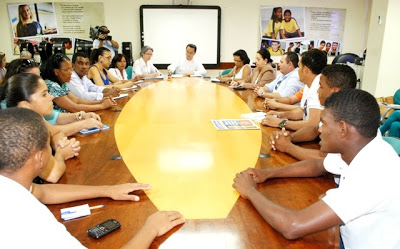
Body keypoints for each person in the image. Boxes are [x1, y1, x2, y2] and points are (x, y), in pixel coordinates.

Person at [233, 89, 400, 249]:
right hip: (348, 236)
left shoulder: (374, 174)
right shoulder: (361, 146)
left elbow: (293, 226)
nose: (319, 129)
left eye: (324, 123)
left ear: (342, 128)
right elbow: (318, 165)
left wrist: (250, 191)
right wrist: (267, 174)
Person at [0, 107, 185, 248]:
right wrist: (151, 228)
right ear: (40, 158)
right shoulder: (27, 216)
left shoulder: (13, 183)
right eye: (49, 145)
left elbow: (41, 191)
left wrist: (107, 190)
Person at [269, 64, 357, 160]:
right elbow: (314, 129)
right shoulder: (333, 109)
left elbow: (327, 160)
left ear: (335, 91)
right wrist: (290, 138)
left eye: (321, 87)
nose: (318, 91)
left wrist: (288, 147)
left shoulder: (349, 117)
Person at [6, 73, 80, 183]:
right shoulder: (22, 131)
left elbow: (56, 132)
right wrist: (61, 154)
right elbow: (53, 174)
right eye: (44, 94)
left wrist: (61, 145)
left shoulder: (34, 119)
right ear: (26, 105)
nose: (51, 97)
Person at [0, 58, 103, 137]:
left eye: (39, 76)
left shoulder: (34, 102)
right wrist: (83, 124)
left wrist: (80, 116)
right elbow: (48, 132)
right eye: (32, 78)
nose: (38, 81)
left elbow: (54, 118)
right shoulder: (10, 110)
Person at [262, 49, 327, 131]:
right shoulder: (309, 84)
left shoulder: (318, 87)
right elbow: (302, 112)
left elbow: (313, 125)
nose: (297, 71)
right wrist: (279, 114)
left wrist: (280, 123)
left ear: (306, 70)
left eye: (299, 67)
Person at [41, 53, 117, 113]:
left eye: (71, 69)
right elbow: (74, 107)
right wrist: (102, 106)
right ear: (56, 71)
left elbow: (77, 100)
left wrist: (101, 101)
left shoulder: (62, 83)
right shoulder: (52, 85)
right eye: (66, 70)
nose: (70, 73)